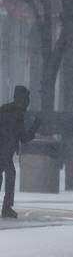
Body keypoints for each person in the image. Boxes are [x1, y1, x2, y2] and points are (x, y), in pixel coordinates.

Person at [0, 85, 39, 219]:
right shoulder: (15, 113)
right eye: (26, 99)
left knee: (8, 174)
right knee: (10, 174)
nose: (27, 102)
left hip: (4, 151)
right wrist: (35, 126)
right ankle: (6, 208)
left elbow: (21, 137)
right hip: (3, 151)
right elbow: (23, 137)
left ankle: (6, 207)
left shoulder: (7, 110)